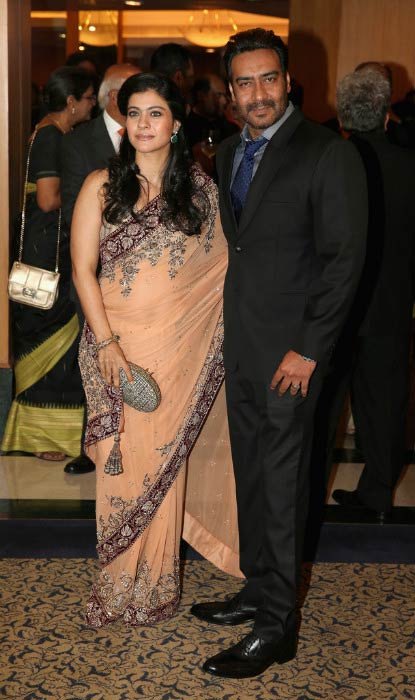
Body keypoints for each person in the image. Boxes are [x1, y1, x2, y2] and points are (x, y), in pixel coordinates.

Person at [190, 28, 368, 678]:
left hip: (292, 359)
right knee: (253, 478)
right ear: (231, 92)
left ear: (288, 82)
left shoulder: (327, 153)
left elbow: (342, 261)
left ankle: (276, 628)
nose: (257, 93)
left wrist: (307, 350)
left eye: (268, 79)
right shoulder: (233, 148)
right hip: (242, 349)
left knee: (284, 485)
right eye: (244, 82)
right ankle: (258, 586)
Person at [70, 72, 228, 627]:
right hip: (119, 347)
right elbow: (82, 270)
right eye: (133, 113)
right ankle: (116, 582)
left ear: (177, 122)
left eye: (155, 113)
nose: (142, 124)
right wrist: (109, 344)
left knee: (164, 462)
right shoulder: (101, 186)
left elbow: (222, 271)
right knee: (122, 465)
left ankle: (157, 581)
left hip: (178, 353)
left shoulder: (201, 192)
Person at [327, 70, 415, 515]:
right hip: (391, 307)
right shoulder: (409, 165)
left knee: (323, 408)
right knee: (385, 406)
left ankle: (306, 495)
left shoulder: (327, 161)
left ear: (342, 114)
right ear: (385, 114)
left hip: (333, 309)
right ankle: (377, 493)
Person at [1, 67, 96, 461]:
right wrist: (87, 195)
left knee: (56, 344)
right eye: (89, 98)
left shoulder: (47, 133)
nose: (91, 105)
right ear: (71, 102)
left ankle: (55, 435)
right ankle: (46, 438)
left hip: (42, 254)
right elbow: (46, 199)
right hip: (47, 259)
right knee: (54, 346)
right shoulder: (51, 137)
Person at [61, 63, 140, 475]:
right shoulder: (78, 144)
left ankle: (132, 440)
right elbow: (76, 206)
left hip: (146, 281)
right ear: (114, 96)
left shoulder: (152, 136)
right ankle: (90, 444)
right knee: (92, 356)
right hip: (94, 270)